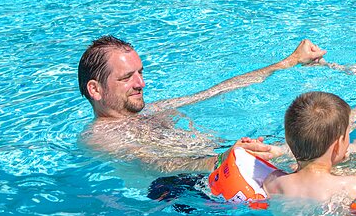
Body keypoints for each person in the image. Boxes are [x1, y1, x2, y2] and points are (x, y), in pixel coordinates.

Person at [78, 35, 325, 173]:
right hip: (186, 194)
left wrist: (290, 61)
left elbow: (218, 90)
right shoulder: (100, 136)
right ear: (95, 89)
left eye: (140, 73)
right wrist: (221, 160)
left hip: (221, 161)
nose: (141, 83)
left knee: (323, 141)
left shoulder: (152, 110)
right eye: (126, 77)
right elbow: (155, 165)